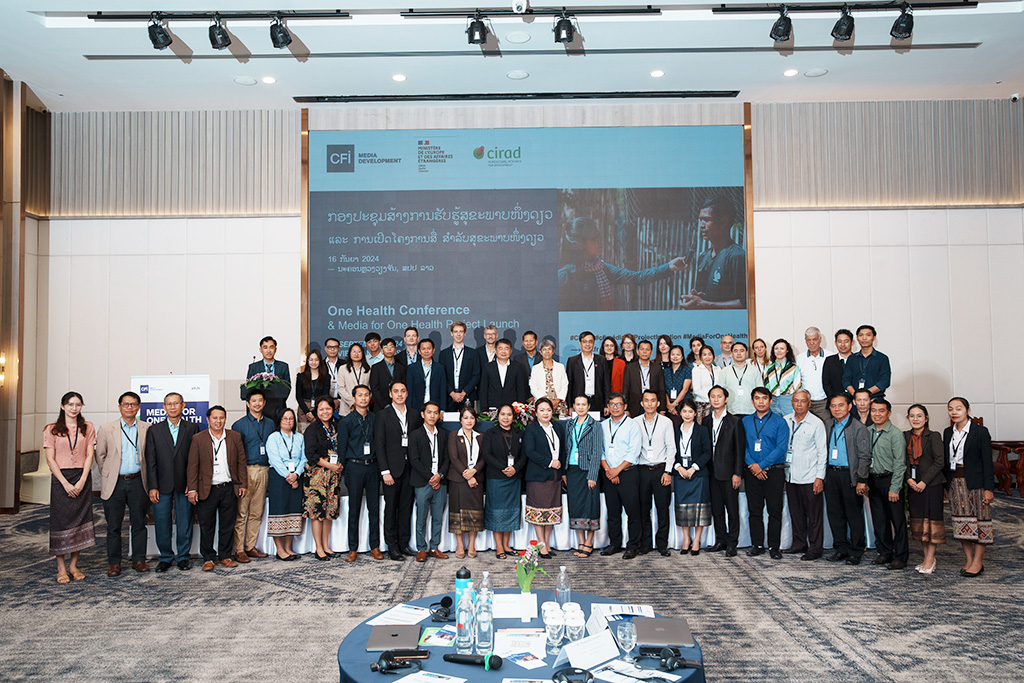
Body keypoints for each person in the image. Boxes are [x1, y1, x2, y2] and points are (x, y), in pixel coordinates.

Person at [558, 216, 685, 311]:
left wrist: (668, 267)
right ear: (580, 244)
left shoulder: (602, 269)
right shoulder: (565, 276)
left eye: (599, 236)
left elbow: (637, 277)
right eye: (594, 238)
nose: (600, 241)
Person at [95, 391, 151, 576]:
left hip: (138, 482)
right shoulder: (106, 428)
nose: (130, 407)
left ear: (138, 407)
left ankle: (139, 559)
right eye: (126, 404)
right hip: (115, 483)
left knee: (139, 523)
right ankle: (114, 563)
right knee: (113, 526)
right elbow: (100, 456)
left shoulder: (146, 428)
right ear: (119, 407)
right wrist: (109, 474)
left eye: (133, 404)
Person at [186, 406, 247, 572]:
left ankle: (225, 556)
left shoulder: (234, 437)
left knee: (228, 524)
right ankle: (208, 558)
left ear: (225, 419)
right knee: (207, 525)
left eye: (221, 418)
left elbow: (241, 462)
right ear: (208, 419)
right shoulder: (198, 439)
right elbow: (192, 466)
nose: (218, 421)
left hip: (229, 487)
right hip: (207, 489)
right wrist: (192, 489)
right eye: (215, 418)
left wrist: (243, 484)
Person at [44, 391, 97, 583]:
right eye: (70, 404)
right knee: (61, 522)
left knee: (79, 522)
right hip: (61, 478)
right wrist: (65, 483)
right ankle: (61, 568)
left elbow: (90, 455)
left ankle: (74, 565)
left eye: (78, 405)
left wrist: (83, 479)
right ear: (62, 406)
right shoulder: (51, 429)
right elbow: (50, 459)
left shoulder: (87, 427)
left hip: (81, 476)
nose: (74, 408)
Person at [146, 392, 201, 572]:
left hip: (184, 484)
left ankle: (183, 557)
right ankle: (166, 557)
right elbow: (151, 460)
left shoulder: (192, 428)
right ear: (164, 407)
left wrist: (192, 483)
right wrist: (152, 486)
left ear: (182, 406)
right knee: (162, 522)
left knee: (185, 521)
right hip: (161, 485)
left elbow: (195, 459)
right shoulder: (154, 430)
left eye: (176, 403)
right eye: (169, 404)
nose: (172, 407)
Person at [943, 397, 994, 577]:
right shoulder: (948, 432)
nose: (954, 412)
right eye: (951, 409)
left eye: (958, 408)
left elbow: (988, 462)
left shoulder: (980, 432)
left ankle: (978, 561)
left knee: (980, 521)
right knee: (962, 522)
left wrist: (989, 488)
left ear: (968, 411)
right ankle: (968, 559)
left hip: (976, 483)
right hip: (956, 483)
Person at [823, 393, 872, 565]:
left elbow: (865, 456)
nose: (837, 409)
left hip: (850, 476)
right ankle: (841, 548)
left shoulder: (859, 428)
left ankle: (856, 551)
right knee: (835, 514)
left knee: (854, 515)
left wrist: (861, 480)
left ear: (849, 406)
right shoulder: (828, 424)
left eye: (841, 405)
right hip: (831, 474)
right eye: (833, 406)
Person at [338, 385, 383, 562]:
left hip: (372, 467)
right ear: (354, 398)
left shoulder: (376, 418)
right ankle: (353, 548)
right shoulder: (346, 422)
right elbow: (341, 450)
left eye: (366, 395)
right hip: (354, 468)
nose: (363, 398)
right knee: (354, 509)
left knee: (374, 509)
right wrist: (345, 471)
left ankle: (375, 547)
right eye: (360, 395)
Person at [742, 387, 789, 559]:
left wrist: (761, 465)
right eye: (757, 398)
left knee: (774, 511)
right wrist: (753, 465)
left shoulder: (780, 422)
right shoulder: (745, 421)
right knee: (754, 510)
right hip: (752, 472)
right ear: (752, 401)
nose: (761, 401)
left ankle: (774, 547)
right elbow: (742, 447)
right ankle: (758, 545)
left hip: (773, 473)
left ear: (770, 401)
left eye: (764, 398)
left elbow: (781, 448)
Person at [374, 381, 417, 561]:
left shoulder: (415, 414)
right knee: (391, 509)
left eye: (403, 391)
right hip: (391, 470)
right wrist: (385, 471)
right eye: (396, 391)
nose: (399, 394)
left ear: (407, 394)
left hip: (410, 470)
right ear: (390, 394)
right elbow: (379, 444)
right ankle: (392, 546)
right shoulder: (383, 415)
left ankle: (403, 543)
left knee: (406, 508)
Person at [783, 390, 827, 561]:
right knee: (796, 513)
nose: (799, 404)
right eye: (796, 401)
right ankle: (799, 543)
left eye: (803, 401)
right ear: (792, 402)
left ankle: (815, 548)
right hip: (791, 476)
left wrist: (819, 478)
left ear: (809, 404)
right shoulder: (785, 421)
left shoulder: (816, 423)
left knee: (814, 516)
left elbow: (822, 453)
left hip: (810, 477)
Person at [680, 196, 747, 310]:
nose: (701, 225)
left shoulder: (737, 257)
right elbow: (707, 297)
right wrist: (696, 298)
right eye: (700, 219)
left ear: (724, 222)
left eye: (706, 220)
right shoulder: (703, 257)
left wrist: (706, 304)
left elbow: (745, 304)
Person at [600, 392, 643, 559]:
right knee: (613, 512)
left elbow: (634, 452)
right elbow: (601, 451)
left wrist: (616, 470)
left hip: (627, 474)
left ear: (625, 406)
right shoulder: (603, 426)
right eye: (612, 404)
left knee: (633, 512)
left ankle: (633, 546)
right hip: (608, 474)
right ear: (608, 407)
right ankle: (615, 544)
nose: (615, 407)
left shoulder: (632, 425)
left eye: (618, 404)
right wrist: (609, 471)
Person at [231, 388, 272, 563]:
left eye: (260, 400)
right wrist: (239, 479)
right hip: (246, 471)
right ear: (248, 404)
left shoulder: (270, 423)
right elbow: (235, 454)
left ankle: (250, 546)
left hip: (264, 470)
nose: (257, 404)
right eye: (253, 401)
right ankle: (238, 549)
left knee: (257, 512)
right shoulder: (239, 425)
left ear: (264, 403)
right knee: (241, 513)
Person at [703, 385, 745, 557]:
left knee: (732, 510)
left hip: (729, 473)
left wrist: (737, 473)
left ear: (726, 399)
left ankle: (732, 543)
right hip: (710, 472)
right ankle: (721, 540)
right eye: (713, 396)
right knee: (717, 509)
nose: (716, 399)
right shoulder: (706, 420)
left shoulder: (735, 422)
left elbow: (740, 450)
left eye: (719, 396)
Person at [904, 404, 946, 574]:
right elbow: (901, 460)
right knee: (919, 522)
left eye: (919, 416)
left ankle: (930, 559)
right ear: (908, 418)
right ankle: (926, 557)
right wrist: (908, 479)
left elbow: (939, 461)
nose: (915, 419)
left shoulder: (934, 436)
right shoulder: (904, 436)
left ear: (926, 418)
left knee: (932, 522)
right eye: (912, 416)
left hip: (931, 484)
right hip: (913, 485)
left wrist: (924, 481)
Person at [867, 398, 908, 570]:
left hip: (890, 481)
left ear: (889, 413)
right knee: (880, 519)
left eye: (881, 411)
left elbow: (900, 463)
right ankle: (884, 552)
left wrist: (895, 487)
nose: (877, 414)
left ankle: (900, 556)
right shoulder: (867, 431)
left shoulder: (895, 434)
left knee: (897, 521)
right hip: (873, 481)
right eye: (874, 410)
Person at [634, 390, 676, 556]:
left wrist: (668, 471)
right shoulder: (635, 422)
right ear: (641, 403)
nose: (650, 404)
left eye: (653, 400)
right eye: (646, 401)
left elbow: (671, 448)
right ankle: (645, 544)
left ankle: (662, 544)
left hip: (661, 470)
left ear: (658, 403)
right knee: (643, 510)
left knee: (662, 510)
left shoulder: (666, 422)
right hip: (642, 470)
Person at [482, 404, 526, 559]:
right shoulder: (490, 433)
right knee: (496, 512)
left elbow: (524, 456)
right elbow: (486, 455)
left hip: (514, 478)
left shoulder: (519, 433)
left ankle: (506, 545)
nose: (506, 417)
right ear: (498, 416)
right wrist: (503, 468)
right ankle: (499, 546)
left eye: (509, 414)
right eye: (503, 414)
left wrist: (515, 468)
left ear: (513, 417)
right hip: (496, 477)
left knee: (510, 512)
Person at [303, 395, 345, 561]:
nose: (325, 412)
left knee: (329, 511)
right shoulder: (312, 429)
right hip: (317, 476)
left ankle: (326, 545)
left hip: (334, 476)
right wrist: (330, 466)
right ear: (316, 411)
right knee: (317, 512)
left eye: (328, 408)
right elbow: (310, 454)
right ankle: (318, 548)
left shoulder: (337, 426)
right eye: (321, 409)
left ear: (333, 410)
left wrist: (339, 464)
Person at [409, 401, 450, 562]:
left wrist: (439, 475)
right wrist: (431, 477)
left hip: (440, 482)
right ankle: (421, 549)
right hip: (422, 482)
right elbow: (414, 459)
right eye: (429, 412)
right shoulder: (415, 434)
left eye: (435, 413)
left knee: (438, 517)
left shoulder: (443, 434)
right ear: (422, 414)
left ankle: (434, 547)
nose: (432, 416)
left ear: (439, 415)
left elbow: (447, 458)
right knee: (421, 517)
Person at [564, 395, 604, 558]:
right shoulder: (569, 424)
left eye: (583, 404)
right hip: (573, 469)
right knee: (576, 505)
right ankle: (580, 541)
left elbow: (597, 452)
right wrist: (565, 472)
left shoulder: (596, 425)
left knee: (590, 505)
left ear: (588, 407)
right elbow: (567, 449)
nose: (580, 407)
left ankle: (589, 542)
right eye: (577, 404)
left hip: (588, 470)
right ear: (573, 406)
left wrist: (593, 475)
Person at [523, 398, 564, 556]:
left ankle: (546, 543)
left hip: (555, 476)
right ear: (536, 412)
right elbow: (530, 452)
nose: (545, 413)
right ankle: (541, 544)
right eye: (542, 410)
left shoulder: (558, 428)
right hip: (538, 476)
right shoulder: (531, 430)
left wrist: (561, 470)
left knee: (551, 512)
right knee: (539, 512)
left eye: (548, 410)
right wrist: (549, 462)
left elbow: (563, 450)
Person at [673, 399, 713, 555]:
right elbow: (671, 451)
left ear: (695, 413)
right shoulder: (675, 430)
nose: (687, 414)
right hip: (680, 472)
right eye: (684, 411)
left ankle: (696, 540)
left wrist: (693, 468)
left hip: (698, 473)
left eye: (690, 411)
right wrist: (678, 467)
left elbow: (707, 452)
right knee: (683, 508)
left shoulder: (702, 430)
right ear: (680, 413)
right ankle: (686, 539)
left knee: (699, 509)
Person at [265, 408, 305, 561]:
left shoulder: (299, 437)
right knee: (279, 511)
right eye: (285, 418)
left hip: (296, 476)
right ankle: (280, 550)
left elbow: (303, 458)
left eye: (291, 419)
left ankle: (288, 547)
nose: (288, 421)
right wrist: (289, 477)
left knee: (293, 510)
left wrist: (296, 475)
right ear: (279, 421)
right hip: (279, 477)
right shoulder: (273, 438)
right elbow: (274, 460)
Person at [447, 406, 485, 558]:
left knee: (474, 513)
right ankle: (460, 545)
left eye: (472, 417)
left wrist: (474, 472)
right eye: (466, 417)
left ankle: (472, 545)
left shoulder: (480, 436)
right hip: (458, 480)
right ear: (460, 420)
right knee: (458, 512)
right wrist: (468, 476)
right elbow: (454, 458)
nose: (469, 421)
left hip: (476, 479)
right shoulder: (453, 435)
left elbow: (484, 458)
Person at [246, 335, 291, 422]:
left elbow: (287, 386)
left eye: (271, 347)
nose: (268, 350)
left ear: (276, 349)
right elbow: (249, 387)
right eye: (265, 347)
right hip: (259, 407)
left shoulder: (283, 366)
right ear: (260, 350)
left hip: (278, 407)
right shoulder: (253, 367)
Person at [439, 321, 481, 412]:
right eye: (455, 331)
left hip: (467, 396)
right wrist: (452, 393)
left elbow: (476, 375)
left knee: (468, 423)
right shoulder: (444, 354)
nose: (458, 334)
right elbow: (441, 376)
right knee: (448, 425)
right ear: (451, 333)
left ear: (465, 333)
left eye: (461, 331)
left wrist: (464, 392)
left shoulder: (473, 353)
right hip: (449, 397)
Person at [796, 327, 835, 423]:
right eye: (808, 340)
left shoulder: (830, 356)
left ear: (820, 339)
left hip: (824, 403)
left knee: (826, 431)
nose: (812, 343)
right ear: (805, 341)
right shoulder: (799, 358)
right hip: (806, 403)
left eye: (814, 339)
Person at [479, 338, 530, 411]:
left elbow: (521, 390)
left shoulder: (518, 367)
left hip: (513, 409)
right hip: (492, 407)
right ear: (496, 351)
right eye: (500, 348)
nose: (503, 351)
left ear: (511, 351)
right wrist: (484, 409)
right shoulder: (487, 367)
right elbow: (483, 390)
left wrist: (520, 408)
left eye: (506, 348)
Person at [843, 325, 891, 398]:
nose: (864, 338)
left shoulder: (882, 358)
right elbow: (846, 379)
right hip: (855, 399)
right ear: (857, 338)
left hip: (875, 399)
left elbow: (884, 381)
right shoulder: (852, 358)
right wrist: (856, 394)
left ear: (874, 338)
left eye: (868, 335)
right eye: (861, 335)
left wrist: (866, 394)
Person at [622, 339, 667, 418]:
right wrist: (626, 409)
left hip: (652, 405)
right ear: (638, 352)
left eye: (647, 349)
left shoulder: (657, 368)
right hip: (634, 406)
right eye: (642, 349)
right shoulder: (629, 368)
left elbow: (662, 390)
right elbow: (626, 389)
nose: (645, 352)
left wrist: (662, 410)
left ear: (651, 352)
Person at [566, 330, 608, 412]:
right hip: (579, 403)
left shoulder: (601, 360)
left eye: (590, 341)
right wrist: (570, 405)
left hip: (597, 402)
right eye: (584, 342)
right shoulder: (572, 361)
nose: (587, 344)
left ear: (593, 343)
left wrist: (607, 404)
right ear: (580, 343)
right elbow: (569, 385)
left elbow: (606, 384)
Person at [720, 342, 763, 416]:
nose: (739, 353)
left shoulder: (754, 370)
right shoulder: (725, 371)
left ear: (746, 353)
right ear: (732, 353)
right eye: (736, 351)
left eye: (742, 351)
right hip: (731, 412)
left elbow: (760, 391)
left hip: (751, 411)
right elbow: (720, 392)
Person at [406, 338, 447, 414]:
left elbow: (442, 389)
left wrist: (442, 409)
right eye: (423, 349)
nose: (426, 351)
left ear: (433, 350)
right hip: (416, 407)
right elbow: (409, 390)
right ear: (419, 351)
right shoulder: (412, 368)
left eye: (429, 348)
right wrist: (408, 409)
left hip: (435, 407)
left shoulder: (440, 368)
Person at [530, 338, 570, 417]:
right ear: (540, 352)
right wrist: (545, 401)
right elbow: (533, 387)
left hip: (558, 404)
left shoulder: (560, 367)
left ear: (553, 351)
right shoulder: (536, 368)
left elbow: (565, 385)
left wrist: (557, 400)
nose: (547, 352)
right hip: (542, 404)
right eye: (544, 349)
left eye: (549, 349)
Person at [295, 348, 330, 433]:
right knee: (303, 434)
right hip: (304, 409)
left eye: (316, 360)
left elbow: (325, 395)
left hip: (320, 408)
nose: (313, 362)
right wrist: (307, 412)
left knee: (318, 434)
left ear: (320, 361)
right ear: (307, 361)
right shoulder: (301, 376)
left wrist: (314, 413)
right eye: (311, 360)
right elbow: (298, 396)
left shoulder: (326, 377)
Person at [764, 338, 801, 416]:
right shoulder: (768, 368)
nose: (779, 351)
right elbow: (766, 386)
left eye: (782, 348)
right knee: (774, 424)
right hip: (772, 400)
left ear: (787, 350)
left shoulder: (794, 368)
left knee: (789, 424)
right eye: (776, 348)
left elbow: (798, 388)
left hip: (787, 400)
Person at [369, 338, 405, 412]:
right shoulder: (376, 367)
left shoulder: (401, 368)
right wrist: (385, 405)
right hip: (381, 406)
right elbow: (374, 388)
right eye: (385, 347)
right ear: (381, 350)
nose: (389, 349)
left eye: (391, 346)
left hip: (399, 405)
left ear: (395, 350)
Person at [337, 342, 371, 417]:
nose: (356, 354)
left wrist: (362, 402)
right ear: (349, 353)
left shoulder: (368, 369)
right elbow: (341, 388)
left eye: (359, 351)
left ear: (363, 354)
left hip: (364, 408)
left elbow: (370, 388)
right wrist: (353, 403)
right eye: (353, 351)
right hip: (347, 408)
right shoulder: (343, 368)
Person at [822, 329, 854, 399]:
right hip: (835, 402)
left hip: (855, 401)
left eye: (846, 341)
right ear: (835, 343)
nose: (843, 344)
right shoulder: (829, 361)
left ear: (852, 342)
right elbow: (826, 384)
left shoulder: (857, 360)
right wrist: (834, 399)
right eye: (839, 341)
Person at [663, 345, 692, 421]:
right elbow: (664, 389)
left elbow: (685, 389)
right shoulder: (665, 371)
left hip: (683, 404)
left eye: (678, 354)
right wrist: (669, 404)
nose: (675, 357)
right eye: (673, 354)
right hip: (668, 405)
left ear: (682, 357)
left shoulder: (687, 370)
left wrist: (674, 404)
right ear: (669, 356)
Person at [691, 346, 719, 423]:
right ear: (700, 357)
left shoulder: (718, 369)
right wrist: (711, 399)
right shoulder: (696, 370)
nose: (707, 357)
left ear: (713, 356)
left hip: (717, 405)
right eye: (704, 355)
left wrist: (715, 400)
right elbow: (696, 390)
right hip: (702, 405)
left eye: (709, 354)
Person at [322, 338, 343, 407]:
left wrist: (339, 400)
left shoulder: (345, 364)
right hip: (324, 402)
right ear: (325, 348)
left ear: (339, 349)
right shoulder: (320, 364)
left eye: (335, 347)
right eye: (329, 347)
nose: (332, 349)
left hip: (342, 401)